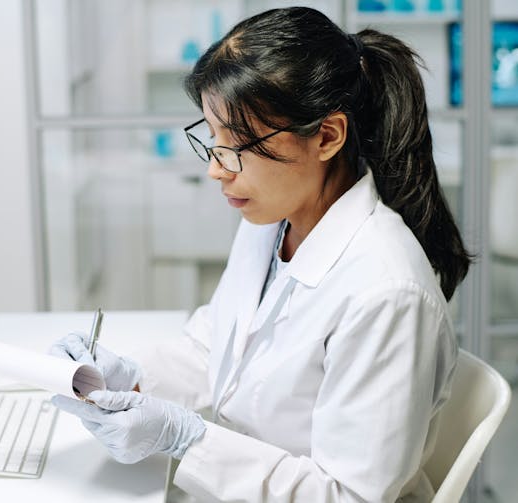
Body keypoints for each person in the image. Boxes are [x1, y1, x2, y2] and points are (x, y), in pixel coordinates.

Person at [50, 6, 472, 502]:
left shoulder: (387, 293)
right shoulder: (272, 222)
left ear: (327, 136)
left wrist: (189, 439)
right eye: (213, 140)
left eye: (239, 145)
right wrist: (131, 378)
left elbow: (348, 495)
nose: (217, 169)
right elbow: (218, 346)